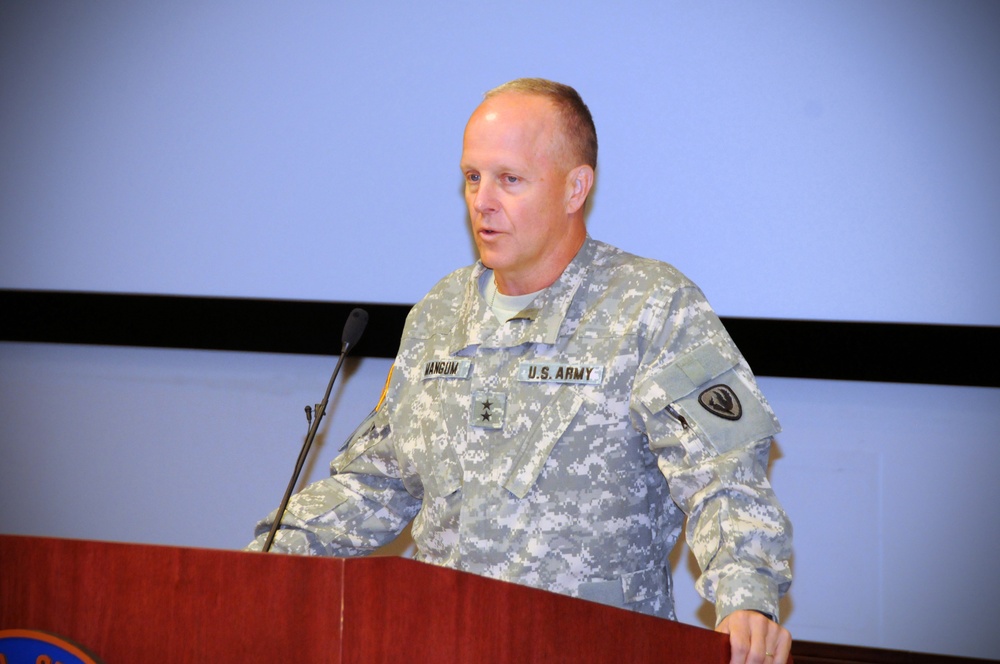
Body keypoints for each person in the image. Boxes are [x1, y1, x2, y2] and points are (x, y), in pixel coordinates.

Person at [249, 78, 793, 664]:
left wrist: (746, 598)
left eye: (510, 179)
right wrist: (266, 563)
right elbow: (376, 480)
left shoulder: (651, 306)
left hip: (595, 646)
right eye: (472, 176)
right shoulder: (439, 312)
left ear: (574, 188)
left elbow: (724, 476)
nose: (482, 200)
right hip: (441, 642)